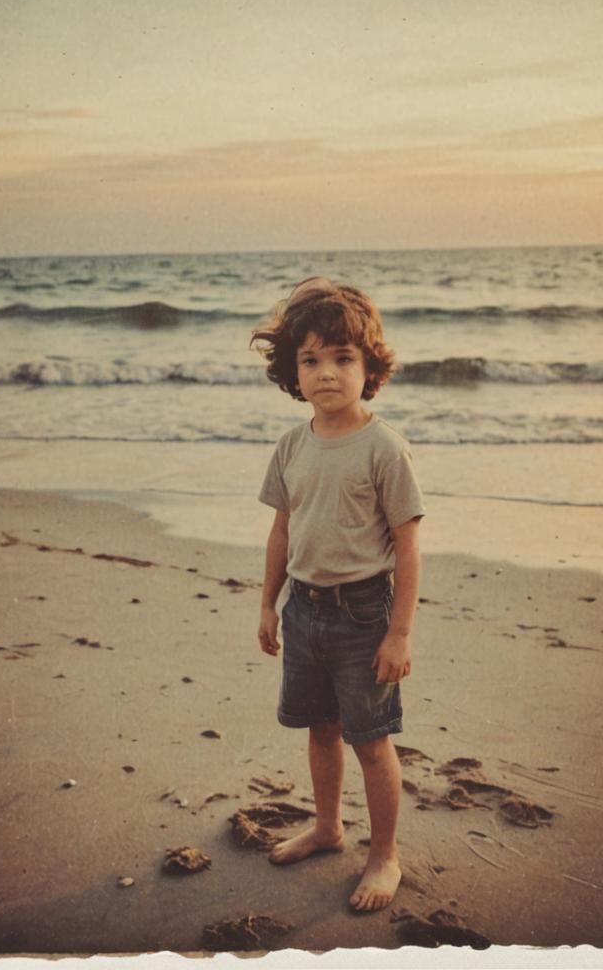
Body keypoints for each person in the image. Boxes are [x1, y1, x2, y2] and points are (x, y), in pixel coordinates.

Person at [251, 277, 424, 912]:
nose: (327, 374)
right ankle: (327, 828)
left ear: (370, 366)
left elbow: (407, 547)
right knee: (319, 729)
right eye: (312, 360)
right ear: (292, 371)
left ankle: (384, 856)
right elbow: (281, 530)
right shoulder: (292, 446)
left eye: (343, 358)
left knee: (370, 738)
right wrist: (268, 604)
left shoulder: (383, 448)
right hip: (304, 611)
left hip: (363, 614)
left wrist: (398, 633)